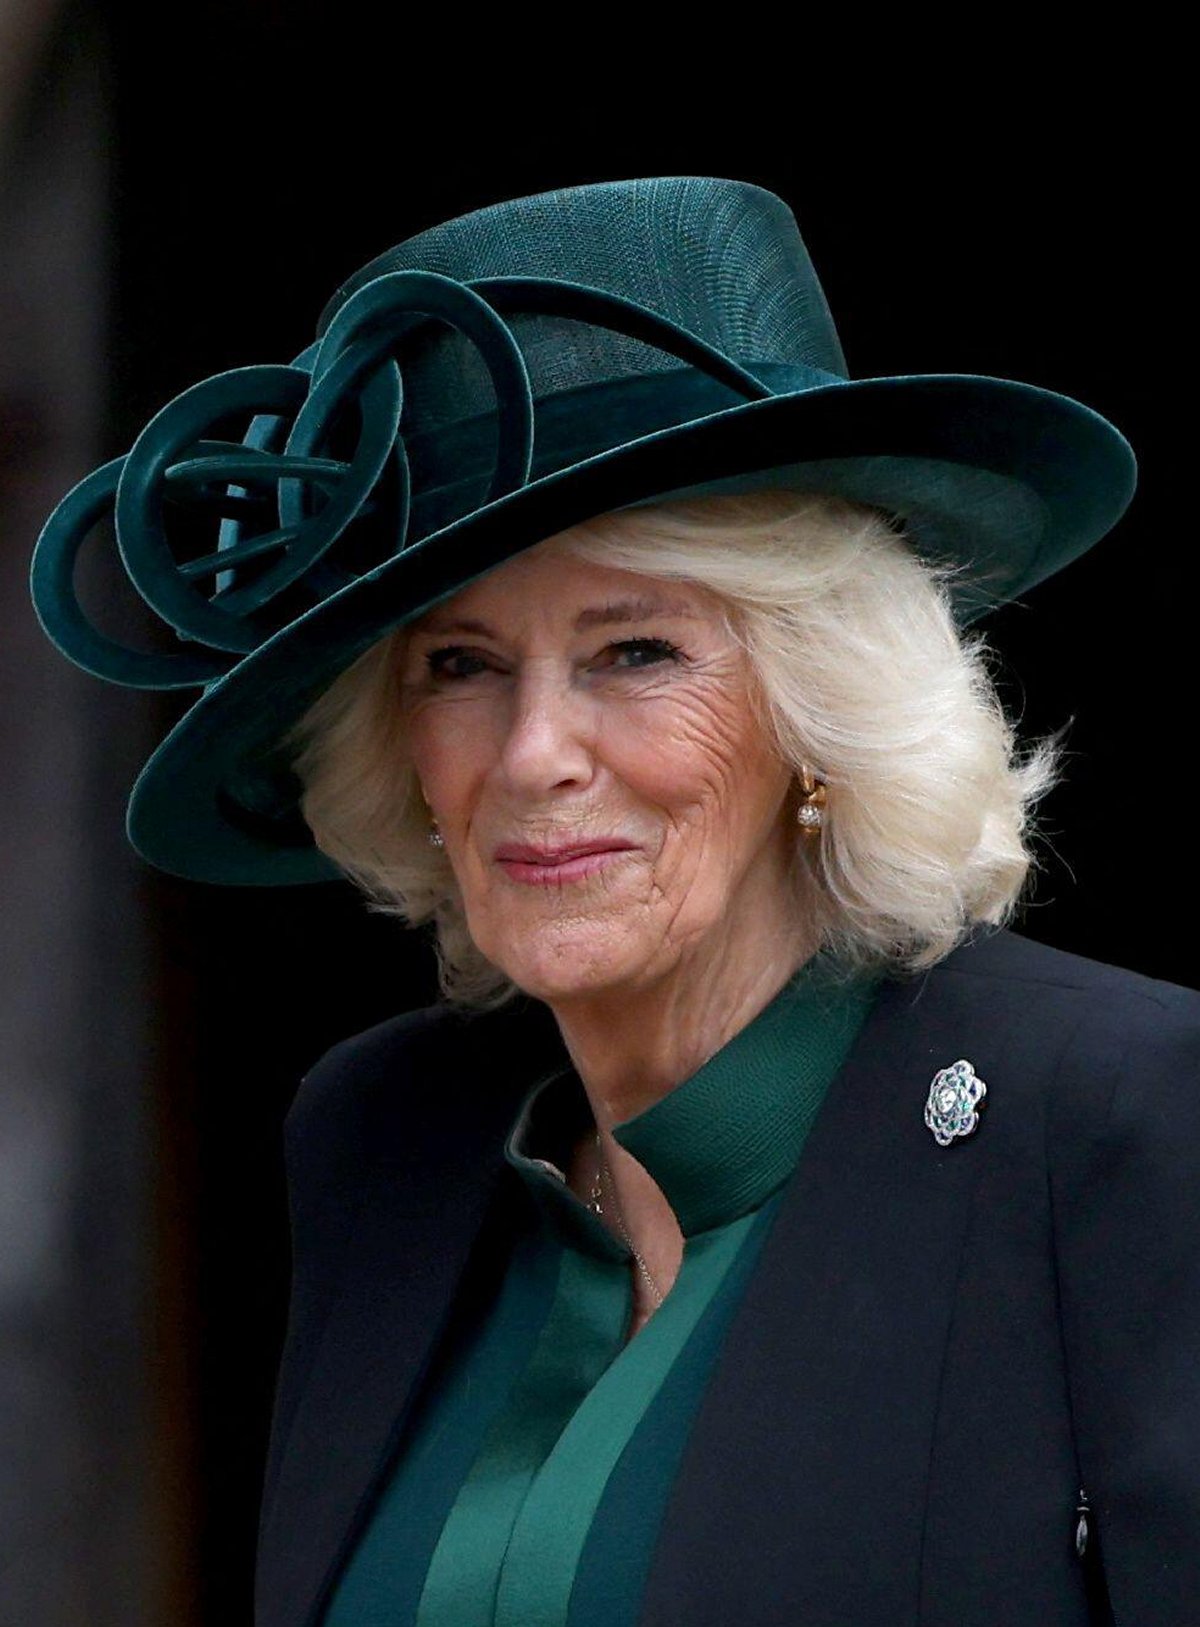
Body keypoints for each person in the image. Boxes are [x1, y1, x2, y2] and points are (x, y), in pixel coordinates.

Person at [29, 177, 1198, 1626]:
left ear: (812, 705)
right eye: (460, 665)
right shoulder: (380, 1149)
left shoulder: (1116, 1116)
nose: (534, 756)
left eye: (636, 650)